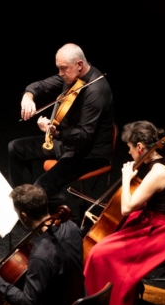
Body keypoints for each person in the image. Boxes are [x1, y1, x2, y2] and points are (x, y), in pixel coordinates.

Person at [83, 120, 165, 305]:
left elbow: (126, 208)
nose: (129, 153)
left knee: (100, 252)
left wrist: (126, 178)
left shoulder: (157, 173)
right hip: (156, 220)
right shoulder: (163, 161)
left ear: (139, 148)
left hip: (162, 231)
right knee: (110, 240)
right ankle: (112, 298)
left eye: (129, 148)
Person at [9, 43, 114, 214]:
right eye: (59, 68)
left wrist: (55, 132)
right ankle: (23, 204)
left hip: (89, 154)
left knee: (43, 187)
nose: (60, 73)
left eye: (63, 68)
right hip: (67, 143)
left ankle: (62, 221)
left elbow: (84, 135)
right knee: (16, 148)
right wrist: (28, 96)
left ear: (79, 65)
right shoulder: (72, 78)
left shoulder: (96, 91)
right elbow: (43, 85)